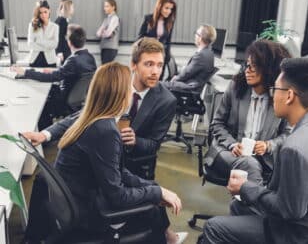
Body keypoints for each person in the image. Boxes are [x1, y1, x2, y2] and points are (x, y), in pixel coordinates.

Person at [23, 62, 187, 244]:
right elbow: (117, 197)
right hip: (88, 214)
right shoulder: (105, 131)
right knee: (153, 207)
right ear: (121, 93)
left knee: (152, 189)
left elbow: (117, 170)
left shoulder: (90, 116)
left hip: (72, 201)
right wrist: (155, 193)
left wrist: (155, 189)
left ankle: (168, 237)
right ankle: (167, 239)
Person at [201, 57, 308, 244]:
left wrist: (245, 187)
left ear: (289, 96)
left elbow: (288, 211)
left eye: (275, 89)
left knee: (213, 228)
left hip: (298, 233)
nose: (272, 95)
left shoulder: (295, 148)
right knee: (239, 207)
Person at [23, 37, 176, 180]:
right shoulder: (116, 83)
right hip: (99, 159)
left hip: (131, 167)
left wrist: (135, 141)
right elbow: (84, 115)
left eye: (160, 65)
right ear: (134, 64)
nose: (156, 72)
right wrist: (45, 134)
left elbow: (154, 145)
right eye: (149, 64)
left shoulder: (166, 101)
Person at [204, 39, 291, 184]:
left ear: (269, 68)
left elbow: (287, 134)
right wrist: (232, 144)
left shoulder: (280, 97)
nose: (248, 70)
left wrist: (268, 145)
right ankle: (253, 202)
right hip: (227, 151)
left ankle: (244, 203)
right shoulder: (235, 87)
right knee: (249, 165)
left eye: (254, 66)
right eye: (247, 64)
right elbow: (217, 124)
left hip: (264, 158)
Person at [12, 24, 97, 130]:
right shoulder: (90, 57)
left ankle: (44, 136)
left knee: (41, 102)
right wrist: (56, 72)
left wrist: (25, 72)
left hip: (63, 100)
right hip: (78, 100)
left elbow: (51, 77)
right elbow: (69, 73)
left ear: (68, 41)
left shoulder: (72, 60)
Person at [163, 24, 216, 92]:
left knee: (160, 85)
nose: (195, 36)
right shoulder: (209, 52)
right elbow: (190, 70)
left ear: (200, 38)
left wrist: (175, 79)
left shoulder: (201, 55)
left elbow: (187, 73)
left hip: (190, 86)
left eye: (196, 34)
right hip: (193, 82)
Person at [138, 0, 177, 79]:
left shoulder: (170, 22)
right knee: (146, 79)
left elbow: (168, 41)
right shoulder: (148, 18)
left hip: (160, 57)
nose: (169, 11)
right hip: (148, 54)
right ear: (159, 7)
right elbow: (140, 37)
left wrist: (167, 58)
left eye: (171, 9)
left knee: (157, 80)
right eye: (166, 8)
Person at [28, 0, 59, 67]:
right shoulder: (32, 25)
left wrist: (39, 41)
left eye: (45, 12)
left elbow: (55, 45)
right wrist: (48, 46)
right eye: (40, 13)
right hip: (35, 60)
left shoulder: (55, 27)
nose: (43, 15)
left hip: (50, 61)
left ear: (49, 11)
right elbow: (30, 44)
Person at [96, 0, 120, 64]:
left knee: (106, 70)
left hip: (110, 49)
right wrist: (104, 31)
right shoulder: (106, 19)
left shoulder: (115, 18)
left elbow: (108, 34)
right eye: (104, 6)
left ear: (113, 7)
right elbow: (98, 33)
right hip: (104, 48)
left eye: (107, 6)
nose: (104, 8)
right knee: (104, 69)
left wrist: (103, 32)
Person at [55, 0, 74, 64]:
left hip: (65, 50)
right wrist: (59, 52)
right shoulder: (61, 21)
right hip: (63, 51)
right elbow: (59, 37)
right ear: (67, 8)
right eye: (72, 7)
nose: (73, 9)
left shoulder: (63, 20)